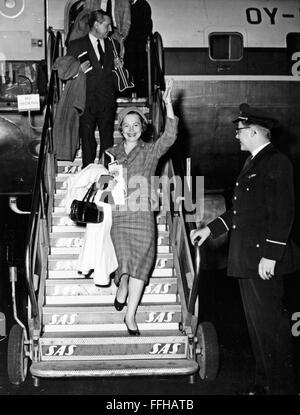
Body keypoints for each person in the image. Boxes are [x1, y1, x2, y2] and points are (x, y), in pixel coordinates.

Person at [190, 103, 300, 395]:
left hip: (263, 260)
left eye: (239, 131)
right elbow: (240, 211)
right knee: (257, 327)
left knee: (271, 328)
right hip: (248, 260)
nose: (236, 136)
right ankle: (264, 384)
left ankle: (281, 388)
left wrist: (271, 256)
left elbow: (283, 213)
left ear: (253, 131)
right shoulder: (253, 163)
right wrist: (209, 230)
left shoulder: (276, 162)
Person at [106, 79, 178, 335]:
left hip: (143, 215)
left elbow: (170, 136)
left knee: (142, 265)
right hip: (119, 214)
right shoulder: (110, 153)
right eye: (127, 125)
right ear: (120, 129)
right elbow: (105, 183)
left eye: (136, 125)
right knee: (123, 261)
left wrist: (168, 105)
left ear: (143, 128)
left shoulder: (151, 151)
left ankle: (131, 315)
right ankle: (121, 285)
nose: (131, 129)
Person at [67, 10, 120, 168]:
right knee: (87, 139)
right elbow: (66, 70)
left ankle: (106, 174)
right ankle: (88, 173)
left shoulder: (113, 44)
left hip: (107, 100)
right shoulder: (76, 45)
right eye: (107, 25)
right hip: (86, 100)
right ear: (96, 25)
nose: (110, 29)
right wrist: (78, 69)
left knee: (107, 140)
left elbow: (113, 72)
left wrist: (119, 66)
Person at [124, 0, 152, 97]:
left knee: (139, 72)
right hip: (128, 45)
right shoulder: (126, 5)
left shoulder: (143, 5)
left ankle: (141, 95)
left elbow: (146, 26)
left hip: (138, 45)